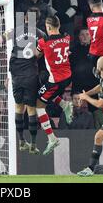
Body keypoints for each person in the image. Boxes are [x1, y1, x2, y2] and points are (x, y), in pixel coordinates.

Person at [0, 8, 48, 155]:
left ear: (25, 18)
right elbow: (38, 54)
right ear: (37, 20)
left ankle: (21, 141)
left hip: (16, 74)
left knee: (18, 107)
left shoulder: (15, 30)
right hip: (31, 73)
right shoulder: (41, 34)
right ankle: (33, 143)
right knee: (31, 109)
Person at [35, 16, 73, 155]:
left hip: (56, 81)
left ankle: (52, 138)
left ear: (48, 27)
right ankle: (64, 104)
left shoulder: (43, 41)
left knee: (38, 105)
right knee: (43, 93)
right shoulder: (67, 38)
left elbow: (35, 55)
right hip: (67, 77)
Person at [70, 28, 103, 128]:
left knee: (95, 110)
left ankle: (98, 130)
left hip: (93, 85)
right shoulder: (73, 50)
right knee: (76, 109)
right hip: (78, 84)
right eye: (82, 34)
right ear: (79, 37)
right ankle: (73, 131)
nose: (84, 36)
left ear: (91, 36)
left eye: (87, 34)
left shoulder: (97, 50)